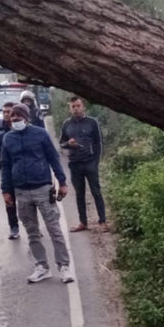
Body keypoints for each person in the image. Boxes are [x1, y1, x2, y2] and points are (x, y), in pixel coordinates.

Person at [0, 103, 72, 283]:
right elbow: (5, 166)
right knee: (31, 231)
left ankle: (64, 266)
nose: (14, 118)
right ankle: (42, 266)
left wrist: (62, 182)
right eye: (12, 116)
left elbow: (54, 159)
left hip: (42, 188)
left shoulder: (40, 134)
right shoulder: (8, 139)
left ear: (26, 117)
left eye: (18, 115)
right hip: (21, 192)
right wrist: (6, 191)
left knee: (54, 228)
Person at [59, 96, 107, 232]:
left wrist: (96, 160)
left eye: (78, 106)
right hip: (75, 164)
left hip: (90, 162)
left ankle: (102, 221)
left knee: (96, 192)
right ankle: (83, 222)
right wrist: (68, 143)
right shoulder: (67, 124)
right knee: (79, 194)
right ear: (70, 108)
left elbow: (99, 142)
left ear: (83, 107)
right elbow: (61, 143)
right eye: (73, 106)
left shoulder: (92, 122)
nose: (76, 109)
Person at [0, 101, 20, 240]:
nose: (7, 114)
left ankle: (34, 227)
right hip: (7, 170)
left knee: (29, 200)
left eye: (9, 111)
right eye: (4, 112)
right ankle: (13, 227)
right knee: (9, 199)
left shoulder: (20, 127)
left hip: (22, 169)